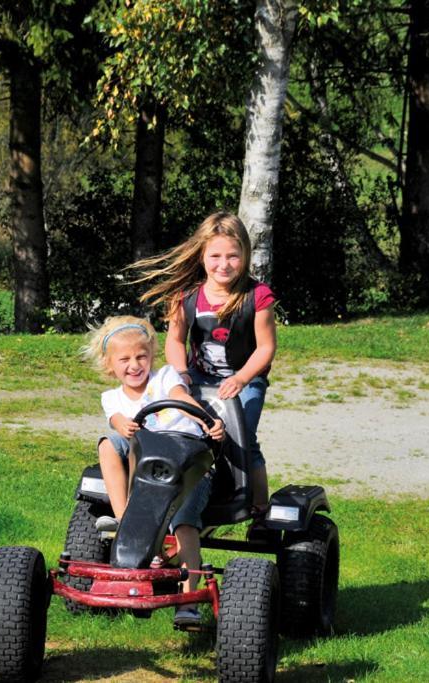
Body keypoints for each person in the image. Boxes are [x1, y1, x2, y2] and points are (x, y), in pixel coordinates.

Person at [129, 211, 276, 529]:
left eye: (233, 256)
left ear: (245, 255)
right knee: (185, 429)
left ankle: (260, 510)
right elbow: (175, 340)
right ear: (202, 255)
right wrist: (180, 372)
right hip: (198, 375)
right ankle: (188, 493)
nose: (224, 265)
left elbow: (265, 348)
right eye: (215, 256)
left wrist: (241, 378)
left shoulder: (258, 296)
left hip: (244, 378)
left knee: (243, 438)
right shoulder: (186, 296)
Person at [82, 315, 225, 625]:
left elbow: (180, 397)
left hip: (187, 462)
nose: (135, 365)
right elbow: (117, 422)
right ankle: (125, 520)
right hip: (144, 465)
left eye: (141, 356)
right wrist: (122, 423)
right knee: (108, 444)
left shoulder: (164, 378)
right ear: (110, 367)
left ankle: (187, 601)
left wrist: (207, 420)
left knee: (186, 524)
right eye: (125, 360)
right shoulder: (112, 398)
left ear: (151, 358)